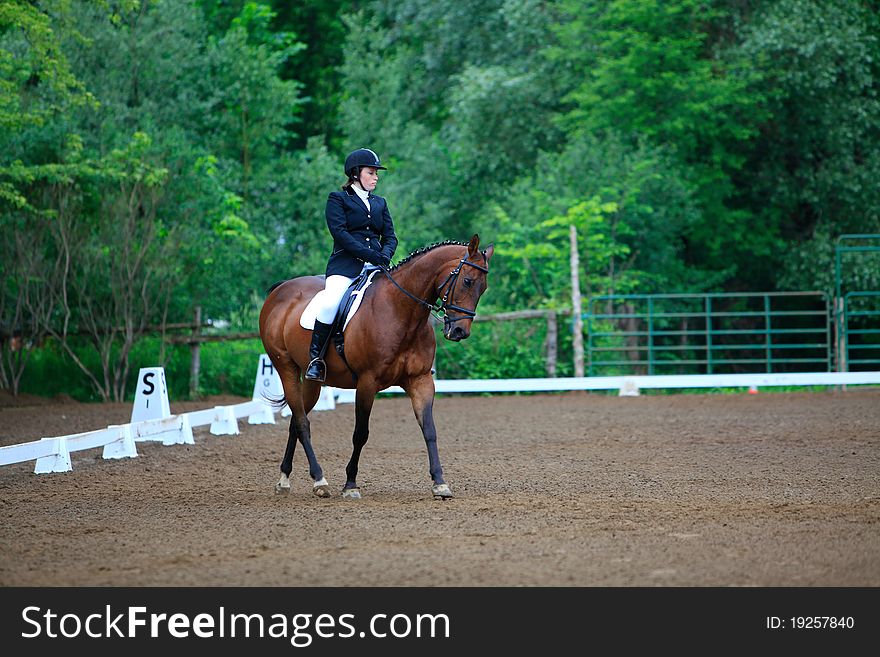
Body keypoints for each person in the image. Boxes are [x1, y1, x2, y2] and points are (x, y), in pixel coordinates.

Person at [305, 147, 398, 382]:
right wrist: (369, 254)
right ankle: (316, 359)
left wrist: (384, 255)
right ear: (356, 173)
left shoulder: (380, 203)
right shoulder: (338, 199)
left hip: (377, 267)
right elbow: (340, 234)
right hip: (345, 266)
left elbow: (390, 236)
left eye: (376, 173)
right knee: (330, 303)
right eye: (371, 172)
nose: (376, 177)